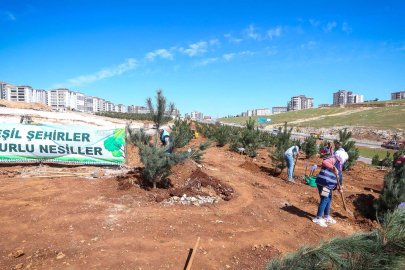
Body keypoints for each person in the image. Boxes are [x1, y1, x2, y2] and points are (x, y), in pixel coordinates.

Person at [312, 151, 348, 227]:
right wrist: (332, 167)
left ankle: (326, 216)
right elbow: (324, 162)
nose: (345, 161)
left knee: (328, 199)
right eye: (345, 159)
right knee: (325, 199)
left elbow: (337, 178)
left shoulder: (339, 165)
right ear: (343, 157)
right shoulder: (334, 159)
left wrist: (339, 188)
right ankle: (318, 218)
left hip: (329, 185)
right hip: (325, 184)